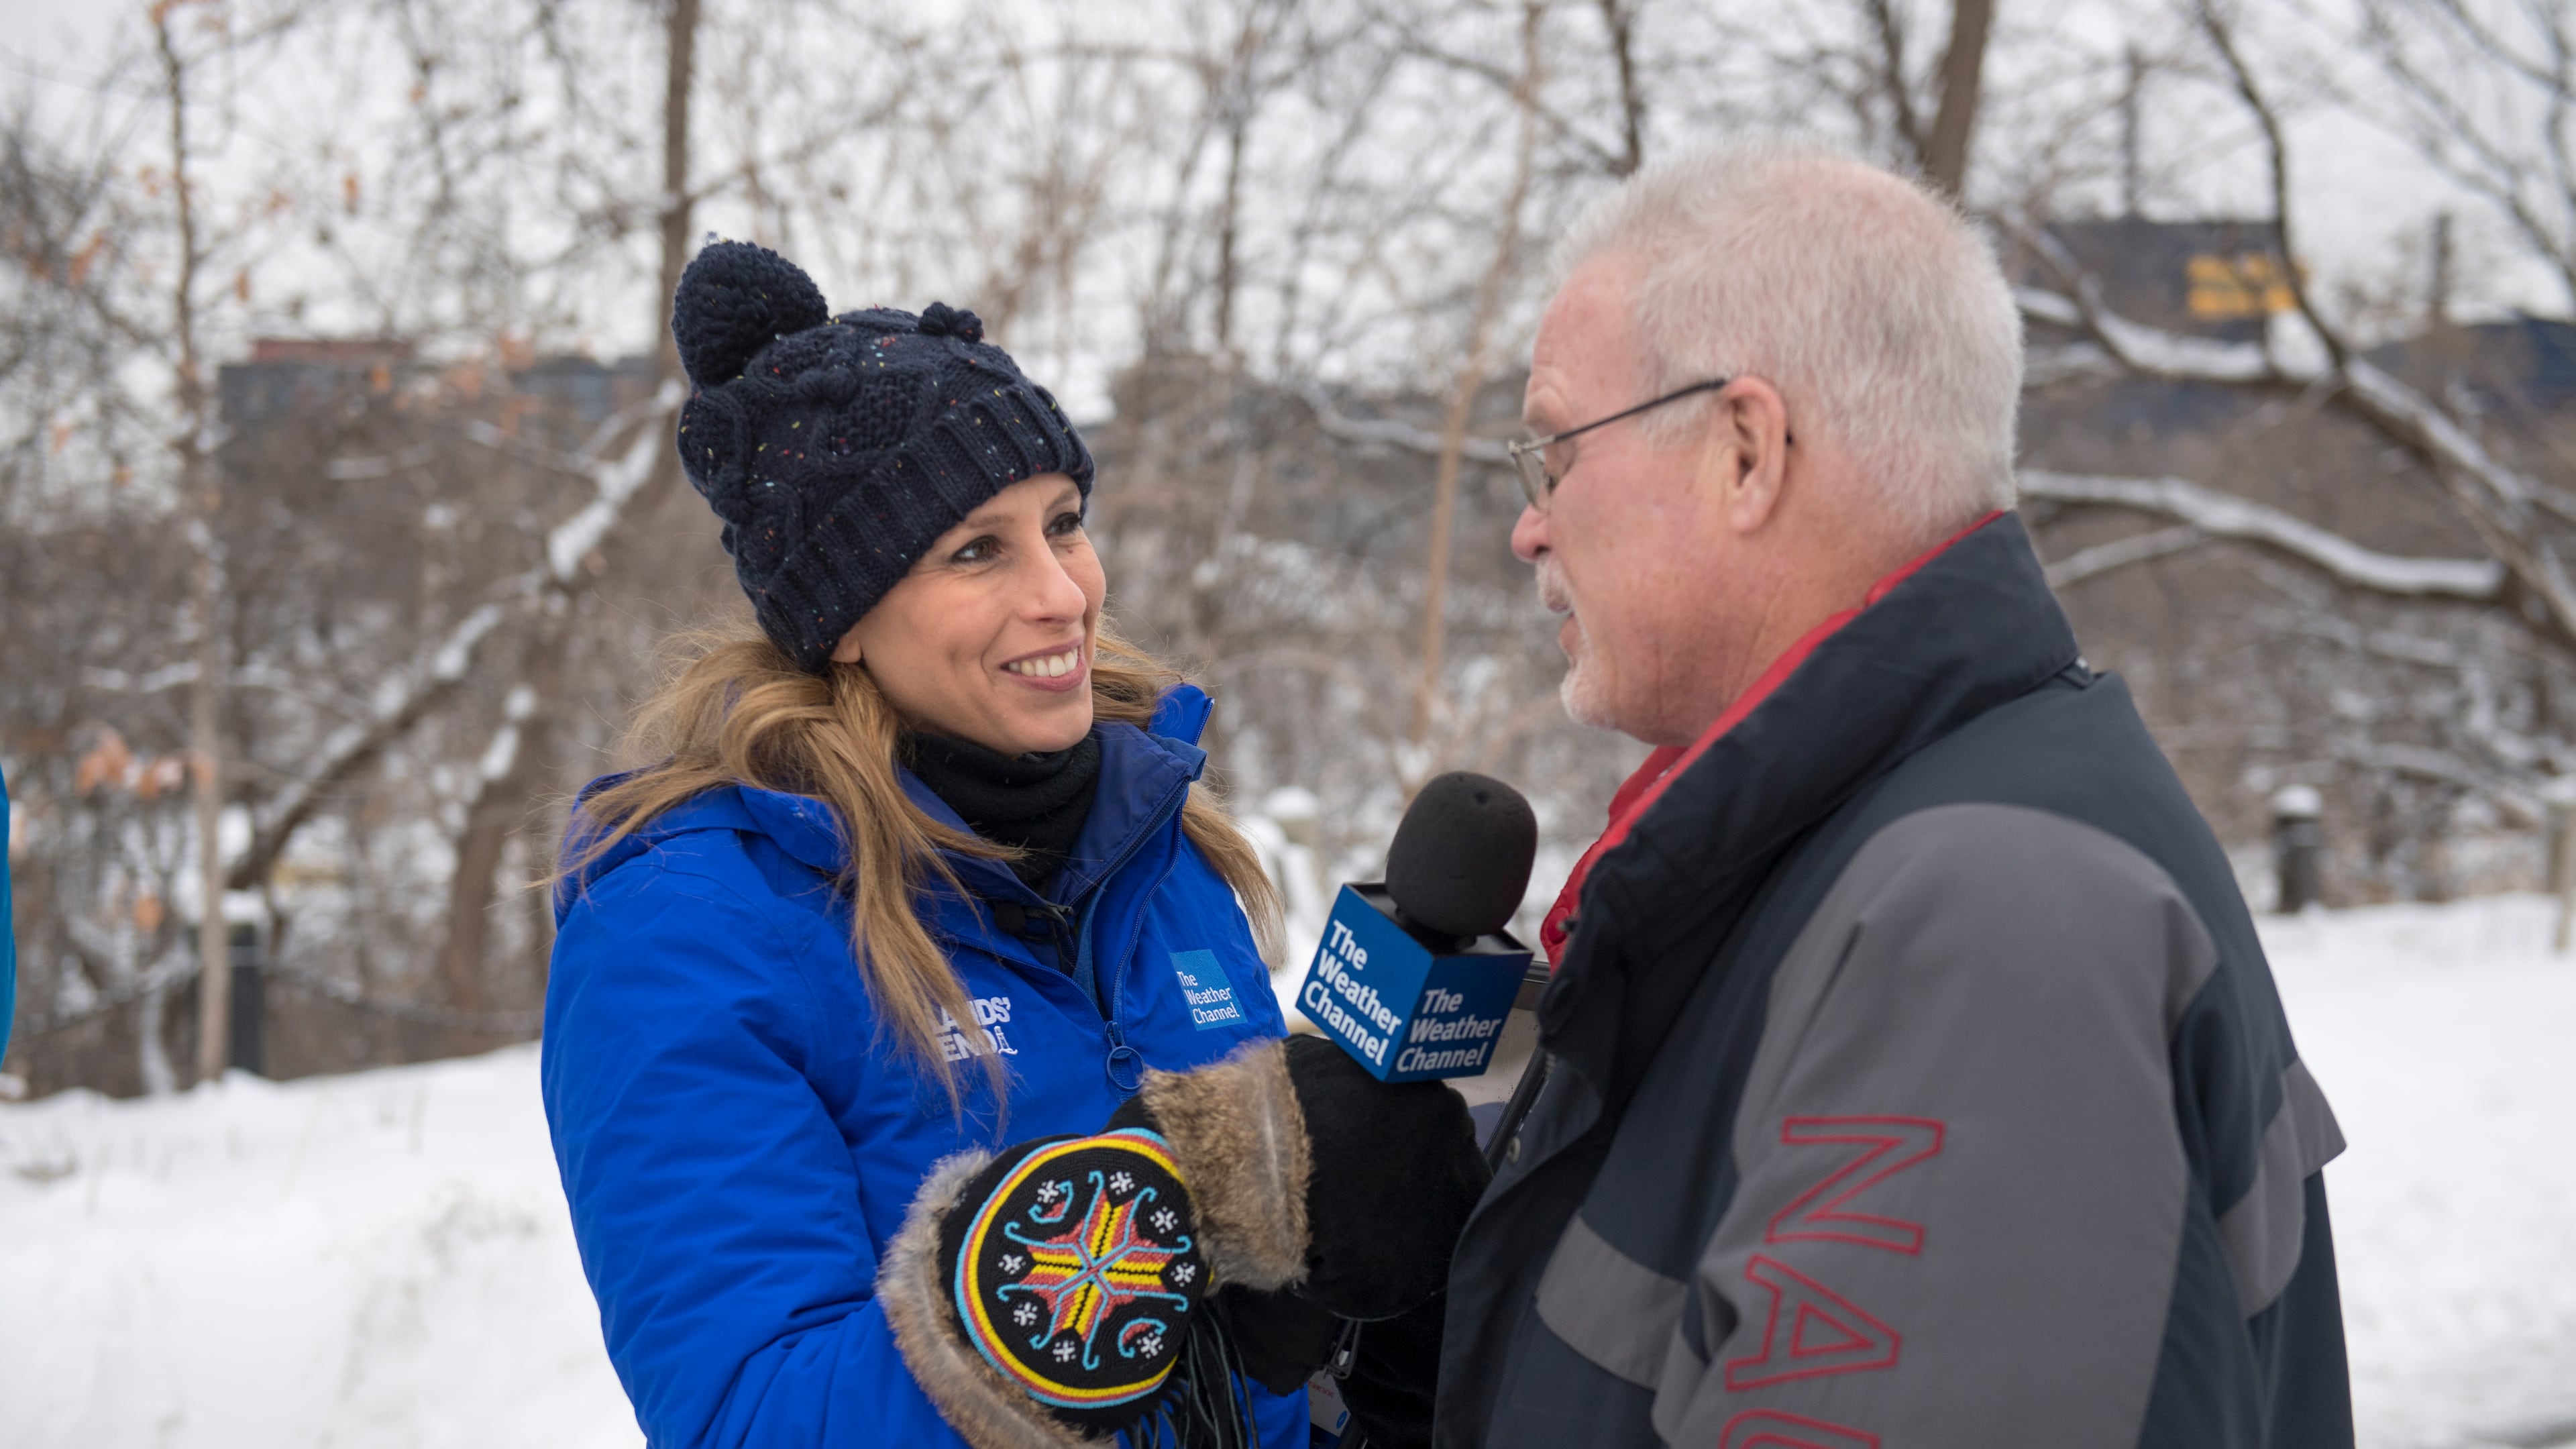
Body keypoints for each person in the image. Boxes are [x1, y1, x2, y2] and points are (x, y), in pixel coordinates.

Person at [1437, 142, 2353, 1447]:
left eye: (1556, 452)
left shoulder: (1988, 924)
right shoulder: (1867, 849)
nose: (1531, 524)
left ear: (1745, 451)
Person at [541, 243, 1425, 1449]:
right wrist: (1163, 1214)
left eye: (1064, 525)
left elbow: (1247, 1325)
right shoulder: (686, 927)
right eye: (977, 550)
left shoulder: (1156, 843)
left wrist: (1352, 1308)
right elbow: (754, 1414)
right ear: (844, 618)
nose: (1063, 593)